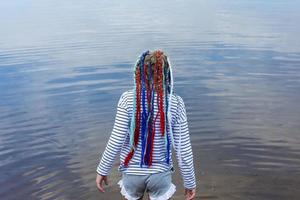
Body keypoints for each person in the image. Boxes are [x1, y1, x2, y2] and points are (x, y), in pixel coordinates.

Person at [96, 50, 196, 200]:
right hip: (160, 175)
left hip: (132, 174)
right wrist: (189, 182)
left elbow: (116, 140)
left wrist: (102, 170)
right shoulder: (175, 102)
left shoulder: (127, 99)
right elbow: (183, 149)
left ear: (140, 73)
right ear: (166, 74)